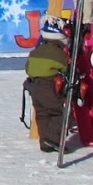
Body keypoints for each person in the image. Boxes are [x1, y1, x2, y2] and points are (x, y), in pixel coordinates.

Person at [25, 14, 72, 152]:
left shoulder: (35, 52)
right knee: (58, 113)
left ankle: (45, 143)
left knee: (42, 114)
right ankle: (52, 139)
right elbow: (65, 69)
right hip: (49, 86)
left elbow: (27, 68)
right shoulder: (59, 54)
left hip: (34, 87)